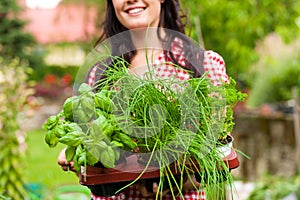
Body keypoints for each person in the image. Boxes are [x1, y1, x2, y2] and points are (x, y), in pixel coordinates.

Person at [58, 0, 229, 199]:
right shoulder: (101, 73)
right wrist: (79, 155)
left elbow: (218, 156)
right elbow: (96, 156)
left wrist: (174, 181)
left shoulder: (202, 65)